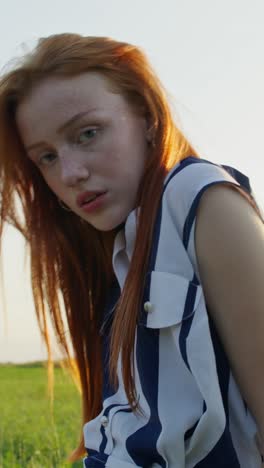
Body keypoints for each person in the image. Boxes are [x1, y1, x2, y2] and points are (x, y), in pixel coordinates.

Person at [0, 33, 264, 468]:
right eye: (45, 157)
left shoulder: (200, 201)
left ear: (144, 114)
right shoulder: (118, 252)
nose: (70, 172)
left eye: (87, 133)